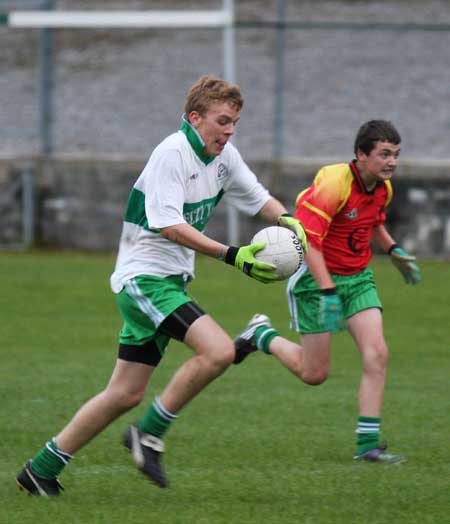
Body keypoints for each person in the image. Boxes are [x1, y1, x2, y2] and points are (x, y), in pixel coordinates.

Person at [16, 74, 307, 496]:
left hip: (168, 282)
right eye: (223, 121)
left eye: (235, 123)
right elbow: (169, 225)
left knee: (124, 393)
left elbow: (257, 196)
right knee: (219, 350)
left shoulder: (224, 157)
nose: (229, 130)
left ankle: (40, 470)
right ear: (194, 117)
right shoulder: (171, 154)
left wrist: (288, 219)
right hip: (144, 280)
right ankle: (148, 435)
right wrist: (233, 255)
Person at [234, 120, 421, 463]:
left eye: (395, 154)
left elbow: (373, 221)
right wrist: (328, 291)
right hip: (315, 280)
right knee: (314, 374)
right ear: (361, 155)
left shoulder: (383, 187)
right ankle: (261, 334)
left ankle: (367, 446)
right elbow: (310, 243)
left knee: (377, 353)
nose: (392, 161)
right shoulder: (334, 184)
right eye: (384, 154)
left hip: (358, 278)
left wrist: (394, 251)